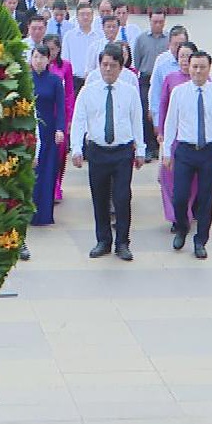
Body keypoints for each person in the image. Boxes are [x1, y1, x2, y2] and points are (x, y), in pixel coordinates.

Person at [70, 44, 145, 261]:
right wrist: (76, 148)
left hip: (122, 152)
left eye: (113, 65)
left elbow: (136, 120)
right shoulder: (88, 91)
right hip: (97, 151)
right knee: (99, 197)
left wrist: (141, 149)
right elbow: (79, 120)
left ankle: (122, 242)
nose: (108, 69)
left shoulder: (129, 92)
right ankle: (103, 240)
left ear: (121, 67)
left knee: (122, 198)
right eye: (104, 65)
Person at [163, 50, 212, 259]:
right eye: (194, 66)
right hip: (185, 150)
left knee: (206, 199)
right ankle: (182, 227)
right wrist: (166, 151)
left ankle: (201, 240)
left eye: (202, 67)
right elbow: (171, 123)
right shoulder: (179, 92)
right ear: (188, 67)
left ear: (209, 68)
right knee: (180, 196)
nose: (198, 71)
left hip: (209, 151)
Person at [157, 41, 198, 232]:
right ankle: (175, 216)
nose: (184, 60)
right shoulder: (170, 78)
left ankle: (186, 213)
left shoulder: (203, 80)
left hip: (193, 139)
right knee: (170, 177)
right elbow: (163, 106)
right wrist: (161, 131)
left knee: (192, 180)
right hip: (174, 137)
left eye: (188, 56)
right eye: (181, 56)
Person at [29, 45, 65, 226]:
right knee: (32, 172)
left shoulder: (55, 81)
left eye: (42, 57)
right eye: (35, 57)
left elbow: (61, 107)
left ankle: (44, 214)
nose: (38, 61)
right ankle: (29, 212)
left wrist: (60, 129)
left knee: (47, 171)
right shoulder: (25, 79)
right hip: (30, 130)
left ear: (48, 60)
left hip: (49, 131)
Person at [133, 9, 168, 161]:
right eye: (155, 22)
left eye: (161, 22)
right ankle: (147, 146)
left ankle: (158, 146)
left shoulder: (169, 39)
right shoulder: (141, 39)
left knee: (162, 112)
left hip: (163, 80)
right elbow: (137, 61)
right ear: (150, 21)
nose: (158, 25)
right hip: (146, 79)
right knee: (146, 113)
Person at [44, 34, 74, 203]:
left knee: (60, 153)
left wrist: (69, 119)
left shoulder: (66, 67)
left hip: (60, 115)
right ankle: (50, 187)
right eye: (48, 49)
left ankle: (57, 185)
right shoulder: (39, 66)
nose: (51, 53)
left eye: (53, 49)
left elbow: (69, 93)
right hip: (45, 114)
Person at [149, 25, 189, 138]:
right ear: (169, 44)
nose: (178, 48)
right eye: (175, 44)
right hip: (168, 115)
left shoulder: (195, 63)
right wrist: (157, 121)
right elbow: (155, 92)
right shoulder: (162, 62)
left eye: (181, 44)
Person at [61, 2, 99, 97]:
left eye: (88, 14)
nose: (85, 17)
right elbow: (65, 60)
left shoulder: (99, 37)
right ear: (77, 17)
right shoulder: (69, 36)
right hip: (74, 81)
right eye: (82, 14)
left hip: (94, 81)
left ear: (93, 16)